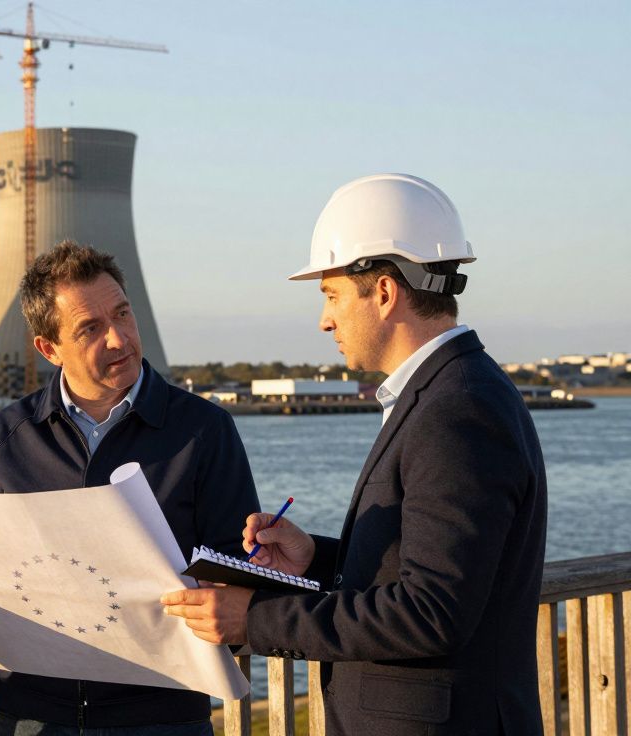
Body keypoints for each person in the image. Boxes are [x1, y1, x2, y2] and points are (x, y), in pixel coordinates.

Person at [161, 173, 547, 735]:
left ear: (385, 292)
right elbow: (426, 568)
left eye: (332, 294)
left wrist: (255, 618)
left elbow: (431, 612)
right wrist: (315, 560)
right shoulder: (452, 392)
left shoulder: (455, 411)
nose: (325, 319)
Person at [0, 241, 261, 735]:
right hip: (31, 716)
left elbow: (238, 574)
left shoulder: (204, 431)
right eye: (91, 328)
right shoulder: (6, 437)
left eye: (123, 314)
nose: (119, 339)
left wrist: (226, 595)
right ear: (49, 349)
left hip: (162, 720)